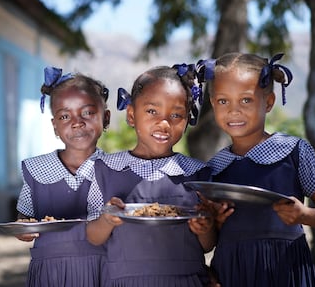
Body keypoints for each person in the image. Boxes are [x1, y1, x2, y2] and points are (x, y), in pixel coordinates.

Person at [203, 52, 315, 287]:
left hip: (285, 270)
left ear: (268, 102)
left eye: (246, 100)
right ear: (212, 104)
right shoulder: (215, 168)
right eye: (223, 101)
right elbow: (211, 237)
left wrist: (304, 215)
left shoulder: (294, 151)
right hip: (232, 271)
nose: (233, 110)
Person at [86, 65, 218, 287]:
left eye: (176, 115)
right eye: (151, 111)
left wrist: (204, 229)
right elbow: (93, 236)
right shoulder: (104, 170)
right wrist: (106, 220)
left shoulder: (198, 174)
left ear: (187, 120)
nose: (164, 123)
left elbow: (207, 245)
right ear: (131, 115)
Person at [16, 66, 111, 287]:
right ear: (55, 126)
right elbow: (24, 218)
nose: (77, 122)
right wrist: (23, 229)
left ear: (105, 118)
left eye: (87, 112)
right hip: (50, 273)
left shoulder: (116, 168)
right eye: (65, 116)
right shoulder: (36, 169)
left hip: (103, 270)